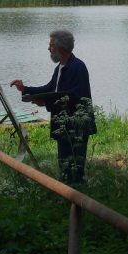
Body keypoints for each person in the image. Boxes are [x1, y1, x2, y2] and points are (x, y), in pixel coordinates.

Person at [11, 29, 96, 185]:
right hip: (63, 127)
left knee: (75, 171)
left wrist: (44, 103)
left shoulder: (77, 67)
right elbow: (50, 89)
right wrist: (26, 90)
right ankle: (67, 202)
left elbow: (73, 99)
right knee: (64, 169)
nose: (48, 49)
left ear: (61, 48)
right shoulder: (60, 68)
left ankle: (79, 202)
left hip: (76, 127)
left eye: (51, 46)